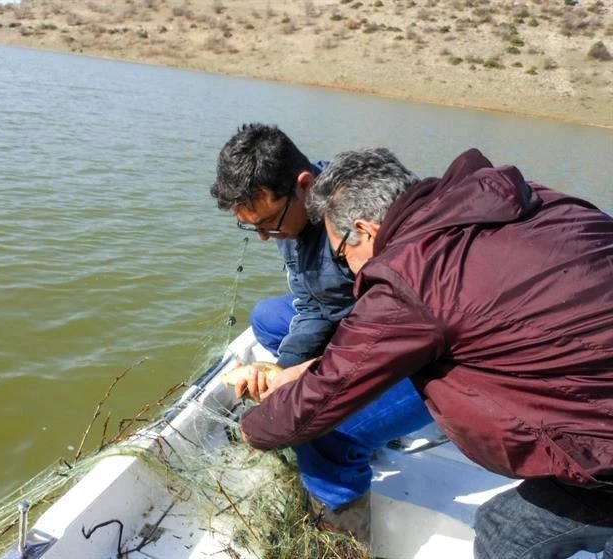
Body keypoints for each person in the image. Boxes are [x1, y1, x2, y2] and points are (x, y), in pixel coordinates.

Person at [238, 146, 613, 559]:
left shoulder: (411, 276)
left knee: (502, 533)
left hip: (603, 447)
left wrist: (250, 428)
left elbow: (321, 397)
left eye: (345, 255)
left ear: (364, 230)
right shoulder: (529, 198)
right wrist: (302, 370)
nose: (351, 272)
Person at [210, 124, 433, 545]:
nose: (264, 238)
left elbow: (384, 340)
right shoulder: (290, 223)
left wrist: (305, 393)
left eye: (268, 224)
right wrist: (283, 372)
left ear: (304, 186)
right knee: (268, 319)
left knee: (324, 432)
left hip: (422, 350)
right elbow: (313, 307)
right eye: (252, 228)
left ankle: (341, 543)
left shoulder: (364, 220)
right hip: (367, 328)